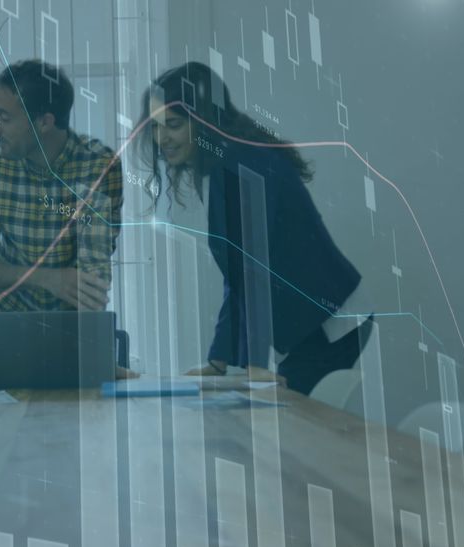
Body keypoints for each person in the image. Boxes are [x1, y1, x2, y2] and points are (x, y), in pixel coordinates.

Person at [134, 62, 373, 394]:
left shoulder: (240, 164)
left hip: (333, 319)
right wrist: (220, 360)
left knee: (289, 412)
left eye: (172, 125)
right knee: (278, 406)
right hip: (319, 317)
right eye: (155, 127)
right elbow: (238, 274)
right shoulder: (226, 162)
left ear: (204, 121)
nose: (161, 139)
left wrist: (255, 365)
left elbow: (252, 268)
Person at [0, 59, 124, 313]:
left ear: (45, 123)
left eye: (4, 117)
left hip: (75, 324)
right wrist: (47, 278)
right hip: (9, 322)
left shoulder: (98, 167)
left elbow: (91, 275)